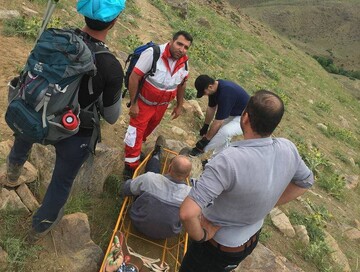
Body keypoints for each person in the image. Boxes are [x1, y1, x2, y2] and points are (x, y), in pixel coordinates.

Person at [0, 0, 125, 242]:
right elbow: (111, 117)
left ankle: (12, 174)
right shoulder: (110, 66)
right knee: (62, 181)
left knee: (23, 139)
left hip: (37, 112)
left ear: (84, 11)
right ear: (114, 20)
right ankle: (38, 229)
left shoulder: (56, 37)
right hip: (74, 131)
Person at [179, 90, 315, 272]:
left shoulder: (229, 160)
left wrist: (201, 236)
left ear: (245, 118)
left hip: (216, 246)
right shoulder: (288, 148)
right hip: (249, 240)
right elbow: (305, 181)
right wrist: (268, 203)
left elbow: (188, 213)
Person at [123, 31, 193, 178]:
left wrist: (179, 105)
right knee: (135, 135)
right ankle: (130, 168)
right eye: (179, 44)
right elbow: (134, 77)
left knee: (146, 131)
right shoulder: (153, 53)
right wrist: (134, 103)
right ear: (171, 41)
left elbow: (182, 84)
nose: (182, 49)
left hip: (161, 106)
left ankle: (135, 151)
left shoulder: (184, 62)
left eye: (186, 47)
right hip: (143, 104)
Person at [123, 136, 192, 240]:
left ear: (169, 168)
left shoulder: (150, 178)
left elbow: (127, 189)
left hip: (138, 222)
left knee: (152, 172)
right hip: (167, 234)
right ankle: (181, 158)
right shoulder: (190, 195)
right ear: (187, 176)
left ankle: (157, 154)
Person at [190, 74, 250, 156]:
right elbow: (211, 108)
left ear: (210, 86)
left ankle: (201, 151)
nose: (205, 95)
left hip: (248, 118)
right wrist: (206, 126)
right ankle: (214, 159)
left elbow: (218, 122)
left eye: (204, 92)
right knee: (220, 134)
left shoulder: (226, 93)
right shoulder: (214, 89)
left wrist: (205, 141)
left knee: (225, 132)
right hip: (235, 113)